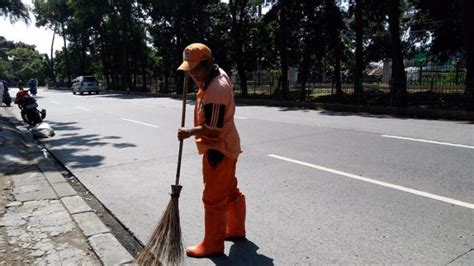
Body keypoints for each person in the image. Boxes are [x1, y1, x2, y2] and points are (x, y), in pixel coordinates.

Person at [177, 43, 246, 258]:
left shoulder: (216, 89)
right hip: (228, 144)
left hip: (219, 149)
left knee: (214, 198)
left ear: (208, 65)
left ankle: (213, 244)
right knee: (230, 189)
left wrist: (189, 131)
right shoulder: (212, 76)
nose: (192, 73)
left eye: (195, 69)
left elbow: (213, 130)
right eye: (189, 69)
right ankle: (235, 229)